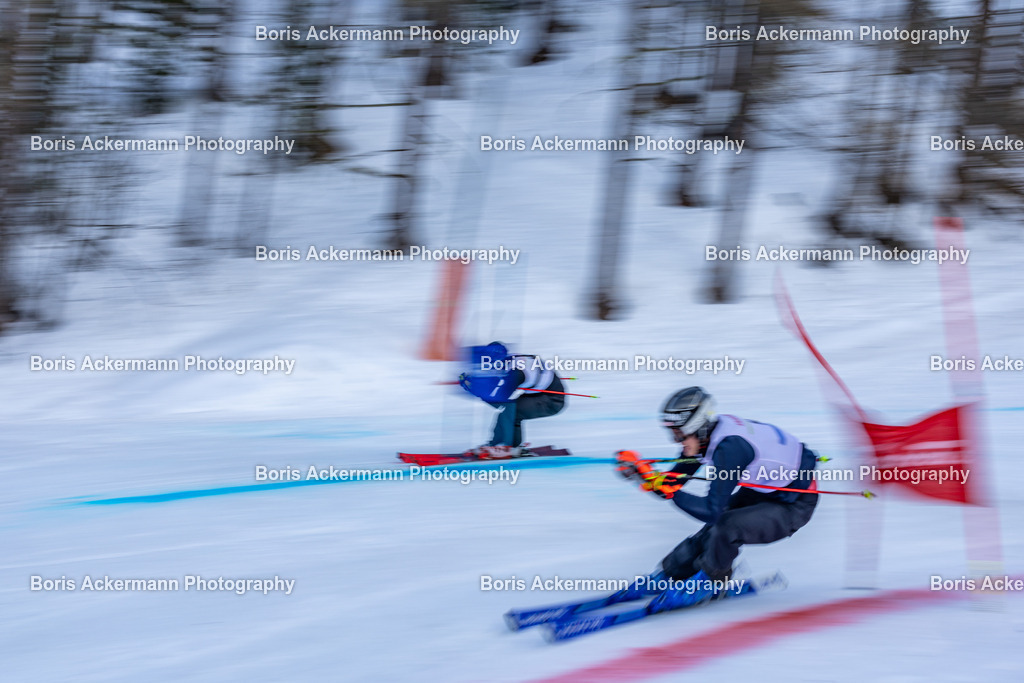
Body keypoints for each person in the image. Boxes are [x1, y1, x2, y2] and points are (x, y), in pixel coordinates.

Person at [616, 386, 819, 608]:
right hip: (766, 489)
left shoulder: (730, 449)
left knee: (725, 525)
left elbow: (710, 511)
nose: (676, 441)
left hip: (794, 503)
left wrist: (669, 489)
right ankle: (670, 574)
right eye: (673, 433)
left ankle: (711, 582)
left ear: (696, 427)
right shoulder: (702, 438)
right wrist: (642, 475)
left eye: (678, 434)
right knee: (712, 529)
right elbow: (672, 484)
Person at [458, 342, 566, 457]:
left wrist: (473, 388)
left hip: (552, 400)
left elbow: (500, 401)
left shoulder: (516, 372)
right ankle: (498, 444)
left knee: (512, 412)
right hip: (540, 393)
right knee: (510, 410)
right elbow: (496, 385)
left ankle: (509, 447)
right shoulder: (508, 360)